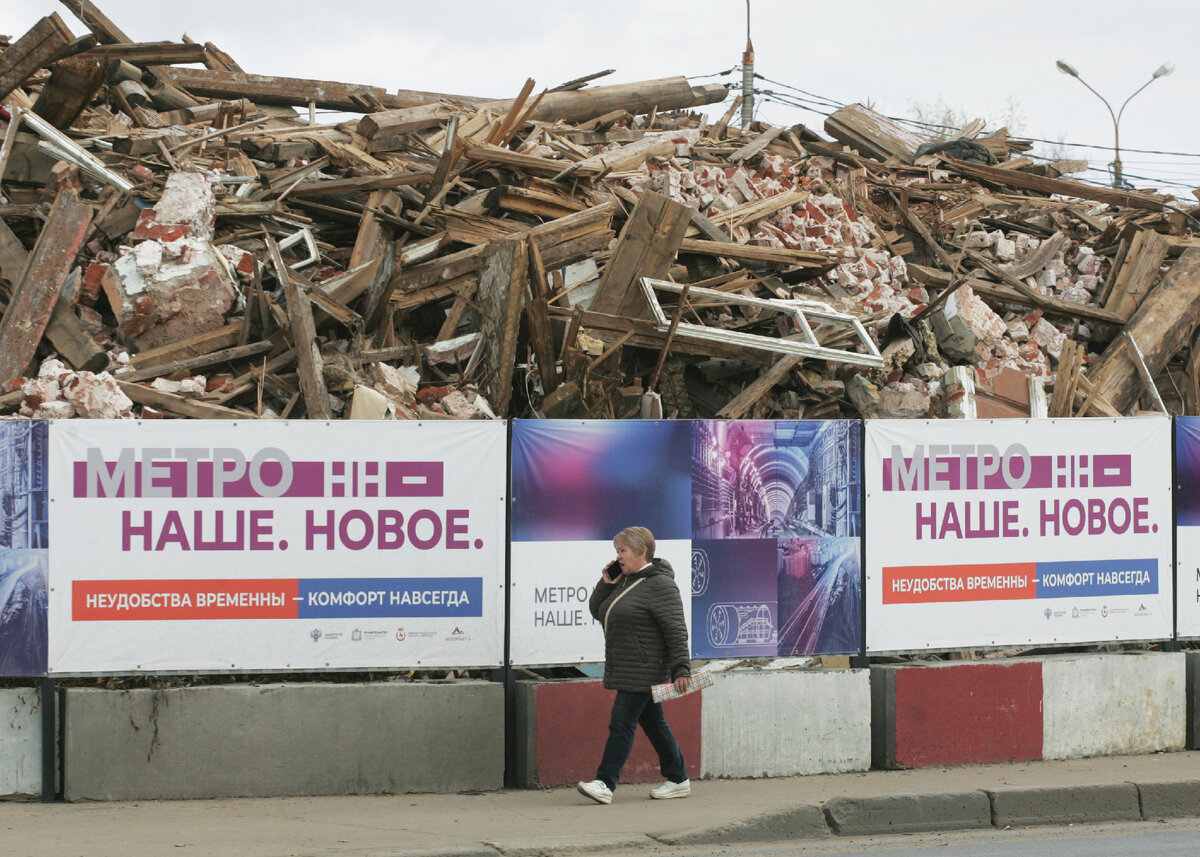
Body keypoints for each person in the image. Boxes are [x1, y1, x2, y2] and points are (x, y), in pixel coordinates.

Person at [576, 526, 692, 805]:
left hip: (645, 668)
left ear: (642, 552)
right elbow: (597, 609)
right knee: (654, 723)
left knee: (621, 723)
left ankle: (605, 782)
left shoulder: (660, 585)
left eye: (623, 551)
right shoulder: (626, 580)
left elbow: (675, 630)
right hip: (627, 665)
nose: (618, 557)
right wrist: (606, 582)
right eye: (617, 551)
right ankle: (678, 778)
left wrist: (681, 669)